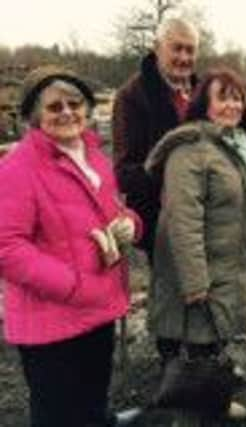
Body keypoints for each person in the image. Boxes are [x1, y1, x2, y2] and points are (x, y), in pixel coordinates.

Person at [0, 65, 142, 427]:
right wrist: (72, 284)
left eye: (75, 103)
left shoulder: (95, 158)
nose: (67, 112)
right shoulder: (18, 168)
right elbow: (6, 247)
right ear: (34, 115)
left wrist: (130, 224)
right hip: (52, 317)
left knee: (92, 392)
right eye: (54, 107)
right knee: (56, 411)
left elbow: (113, 209)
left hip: (97, 306)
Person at [145, 66, 246, 424]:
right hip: (200, 276)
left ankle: (213, 404)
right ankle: (189, 417)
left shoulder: (229, 145)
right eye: (223, 98)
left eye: (237, 98)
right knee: (195, 353)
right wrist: (195, 282)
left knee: (211, 346)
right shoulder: (190, 151)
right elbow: (182, 222)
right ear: (204, 105)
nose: (232, 105)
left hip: (223, 268)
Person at [112, 17, 199, 261]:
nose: (184, 57)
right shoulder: (132, 97)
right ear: (157, 48)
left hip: (205, 216)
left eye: (190, 50)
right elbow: (124, 173)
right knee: (171, 293)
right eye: (177, 48)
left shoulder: (203, 91)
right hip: (162, 220)